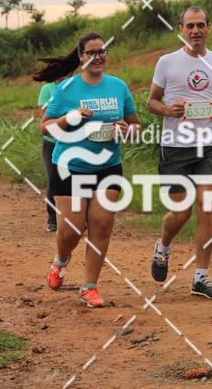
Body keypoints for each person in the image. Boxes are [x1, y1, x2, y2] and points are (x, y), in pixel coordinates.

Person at [37, 32, 141, 308]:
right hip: (70, 166)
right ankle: (61, 260)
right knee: (72, 229)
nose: (98, 57)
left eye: (102, 51)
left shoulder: (118, 87)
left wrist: (127, 130)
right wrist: (70, 118)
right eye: (91, 52)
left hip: (107, 167)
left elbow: (136, 127)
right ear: (81, 57)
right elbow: (45, 126)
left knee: (102, 225)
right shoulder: (68, 88)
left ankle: (89, 287)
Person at [147, 6, 212, 299]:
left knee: (207, 206)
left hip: (210, 145)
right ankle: (163, 245)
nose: (196, 31)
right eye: (190, 26)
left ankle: (201, 277)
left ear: (209, 28)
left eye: (201, 25)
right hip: (176, 147)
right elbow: (151, 102)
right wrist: (168, 109)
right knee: (181, 212)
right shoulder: (167, 62)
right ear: (181, 29)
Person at [34, 78, 58, 231]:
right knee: (53, 178)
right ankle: (53, 219)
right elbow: (45, 115)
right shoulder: (47, 89)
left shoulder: (75, 86)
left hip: (73, 140)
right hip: (51, 141)